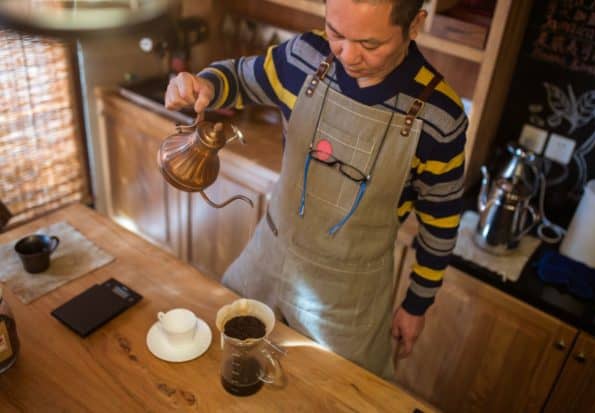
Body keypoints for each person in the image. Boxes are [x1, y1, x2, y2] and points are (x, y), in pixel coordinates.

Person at [165, 0, 466, 379]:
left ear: (416, 24)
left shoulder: (440, 116)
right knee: (229, 370)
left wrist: (417, 304)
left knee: (331, 393)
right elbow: (240, 79)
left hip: (348, 299)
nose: (347, 55)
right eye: (336, 33)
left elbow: (441, 223)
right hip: (268, 260)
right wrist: (204, 84)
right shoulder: (306, 56)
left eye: (370, 45)